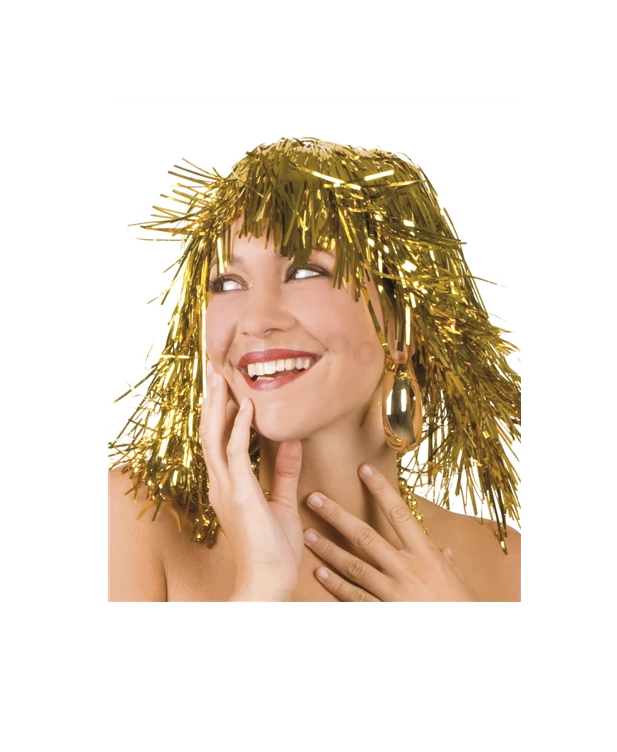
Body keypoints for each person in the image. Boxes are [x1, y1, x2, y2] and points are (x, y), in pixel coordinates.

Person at [107, 137, 522, 604]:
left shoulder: (504, 564)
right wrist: (261, 586)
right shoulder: (133, 521)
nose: (257, 319)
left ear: (402, 323)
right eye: (227, 282)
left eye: (305, 271)